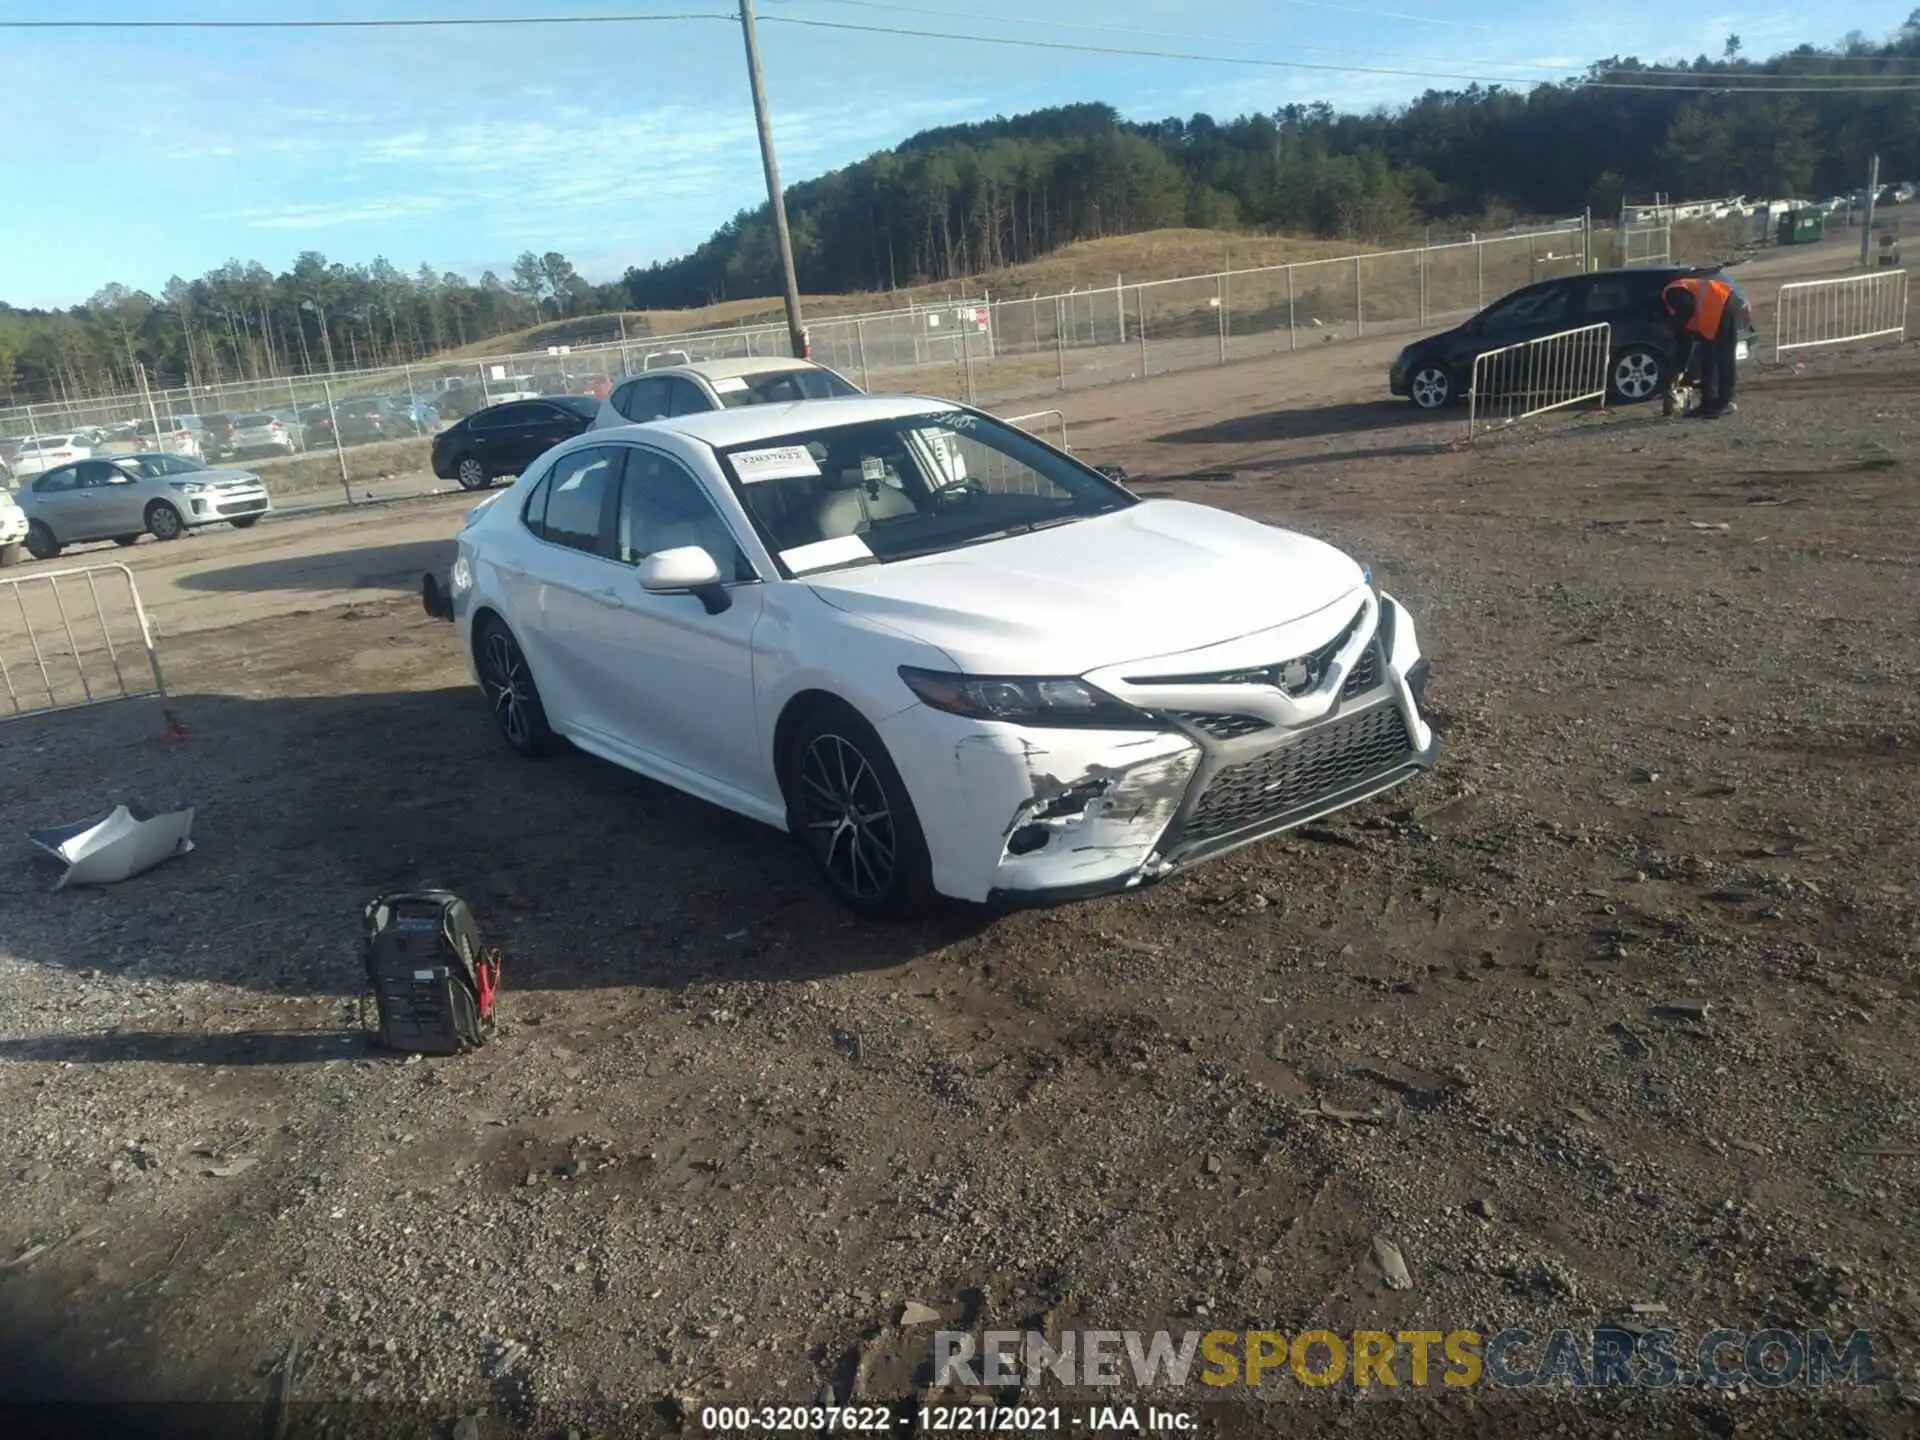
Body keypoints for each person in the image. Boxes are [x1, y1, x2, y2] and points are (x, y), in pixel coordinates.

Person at [1661, 272, 1744, 419]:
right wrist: (1679, 371)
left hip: (1724, 304)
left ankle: (1724, 402)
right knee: (1708, 359)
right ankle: (1709, 403)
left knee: (1724, 357)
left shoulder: (1671, 292)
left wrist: (1676, 325)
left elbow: (1687, 307)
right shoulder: (1676, 305)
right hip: (1716, 311)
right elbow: (1686, 345)